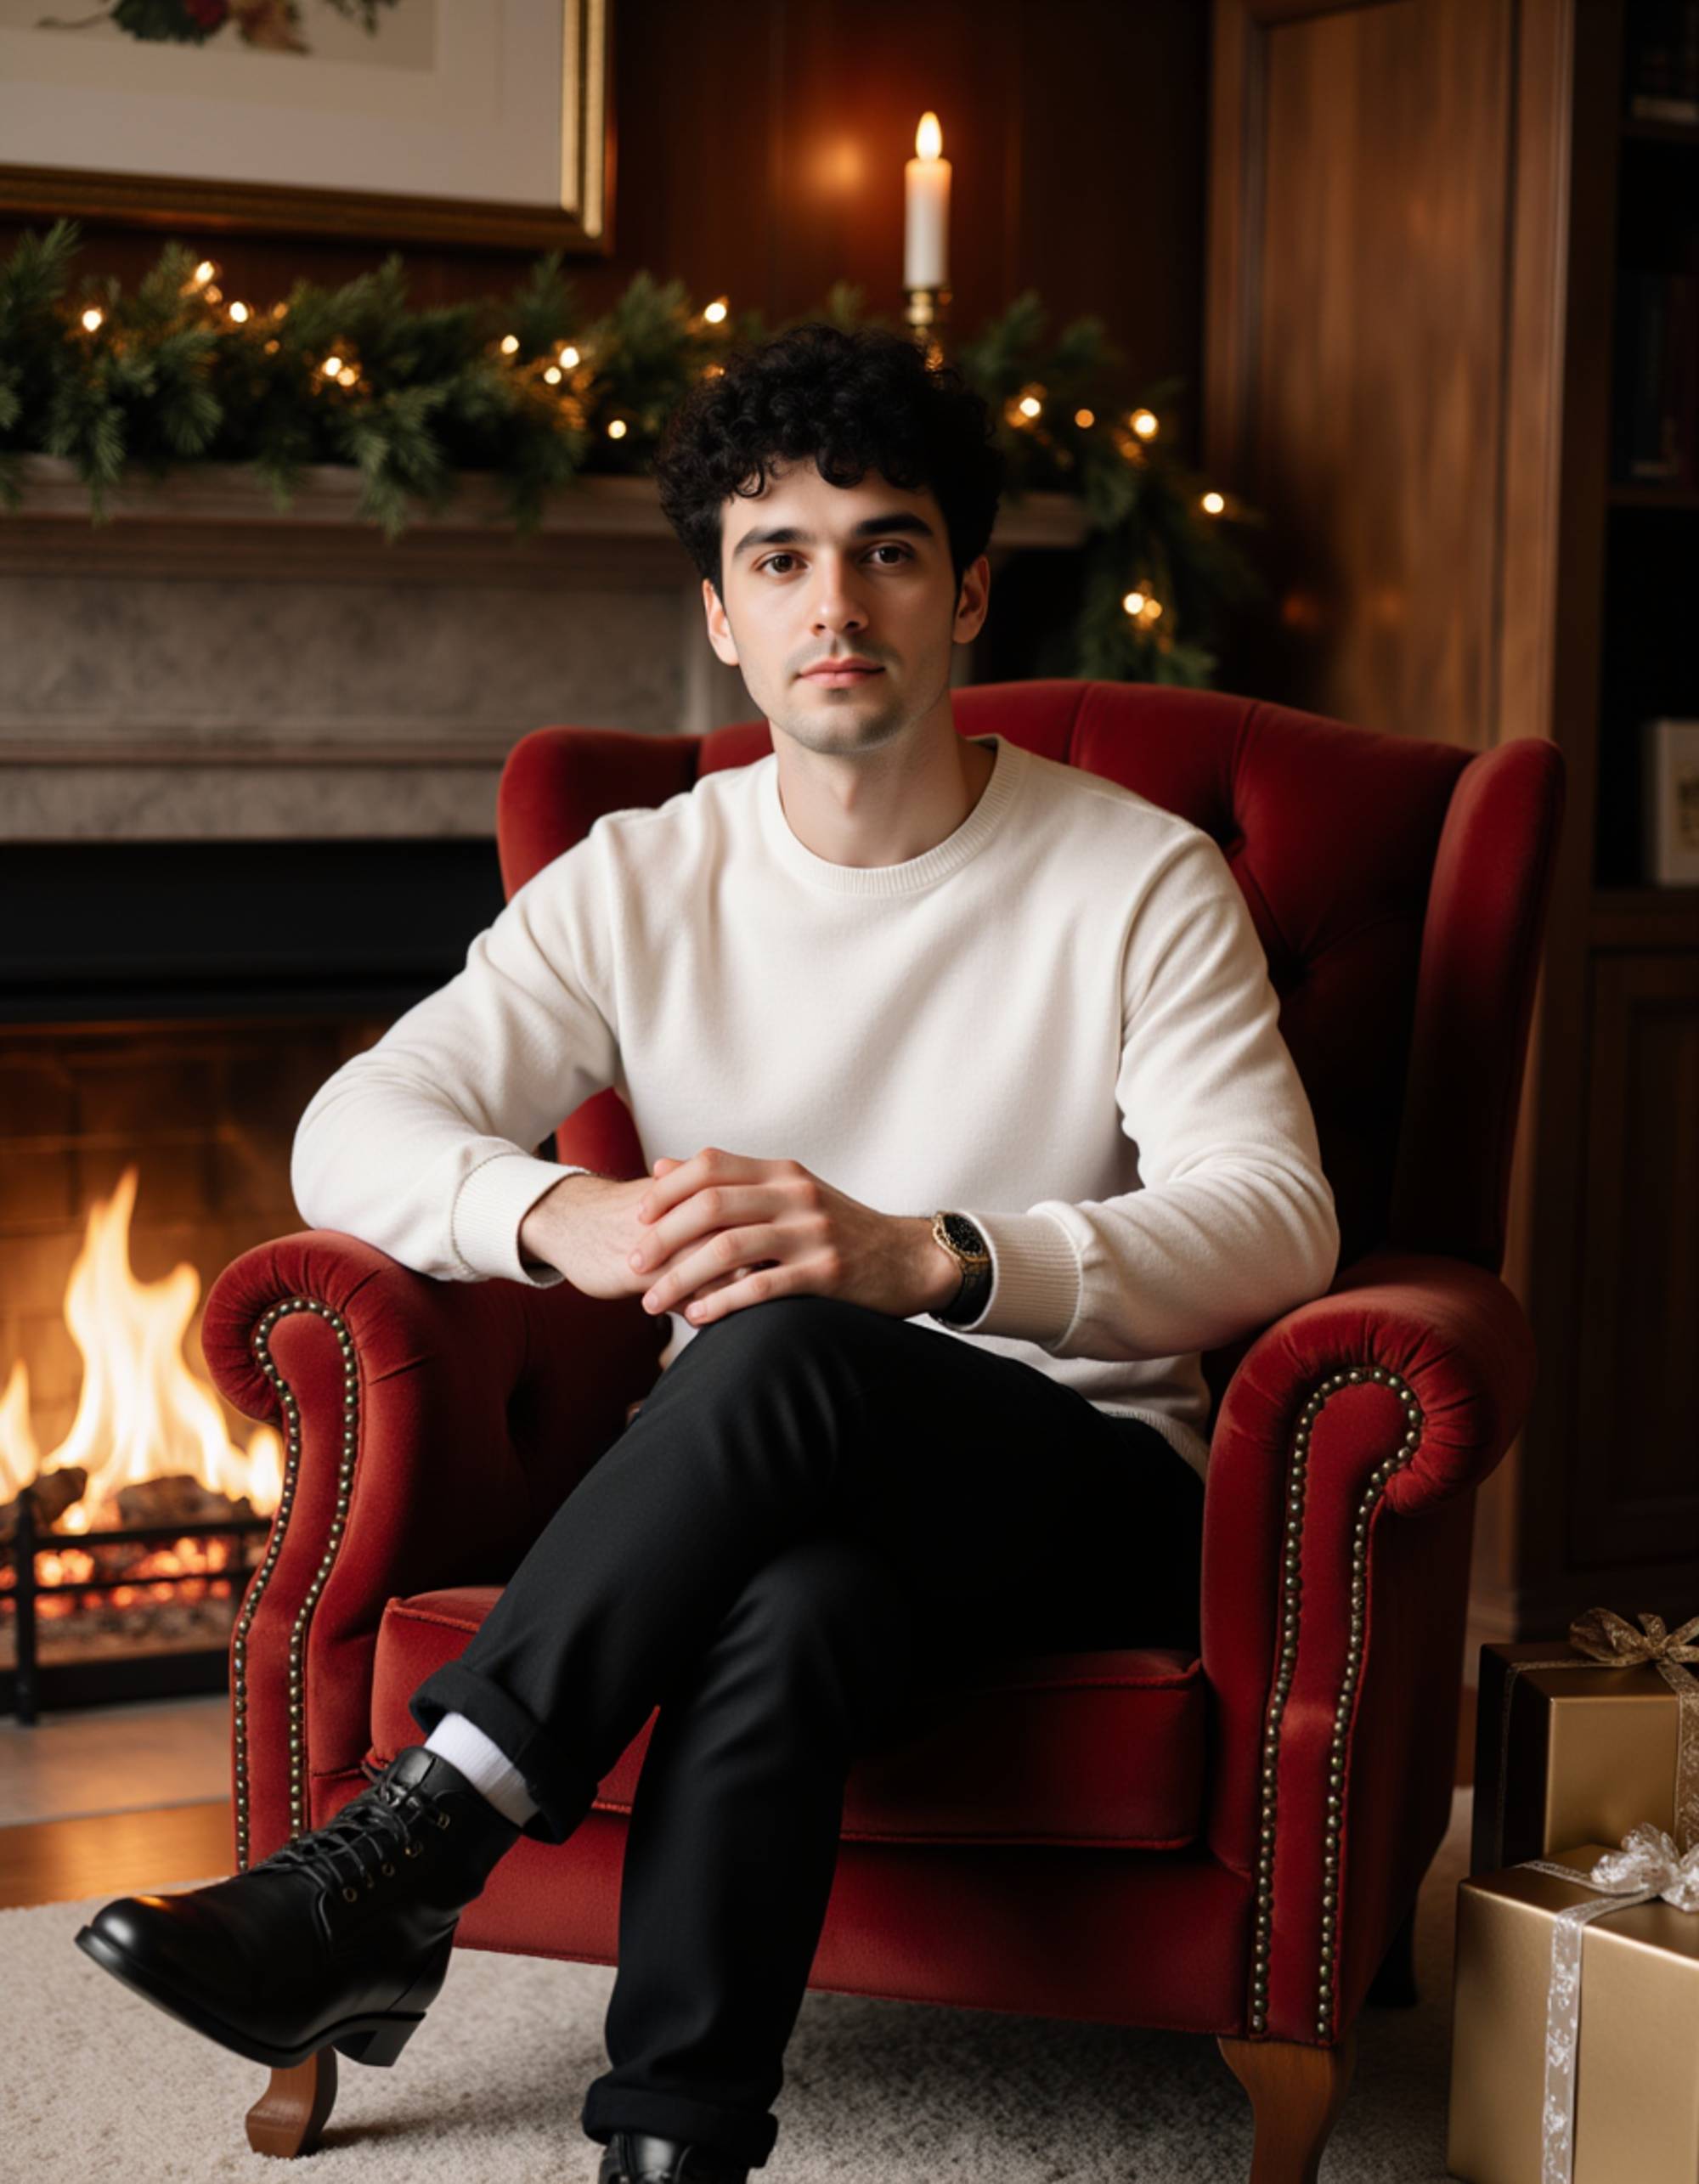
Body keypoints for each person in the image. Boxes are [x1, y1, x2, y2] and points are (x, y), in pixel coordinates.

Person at [75, 321, 1341, 2184]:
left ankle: (403, 1851)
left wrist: (924, 1253)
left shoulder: (1136, 874)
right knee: (790, 1602)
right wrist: (562, 1213)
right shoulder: (640, 875)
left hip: (1075, 1494)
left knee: (779, 1338)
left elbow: (1275, 1218)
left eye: (888, 547)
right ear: (724, 616)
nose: (838, 599)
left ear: (969, 588)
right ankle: (669, 2145)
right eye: (780, 556)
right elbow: (349, 1128)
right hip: (772, 1500)